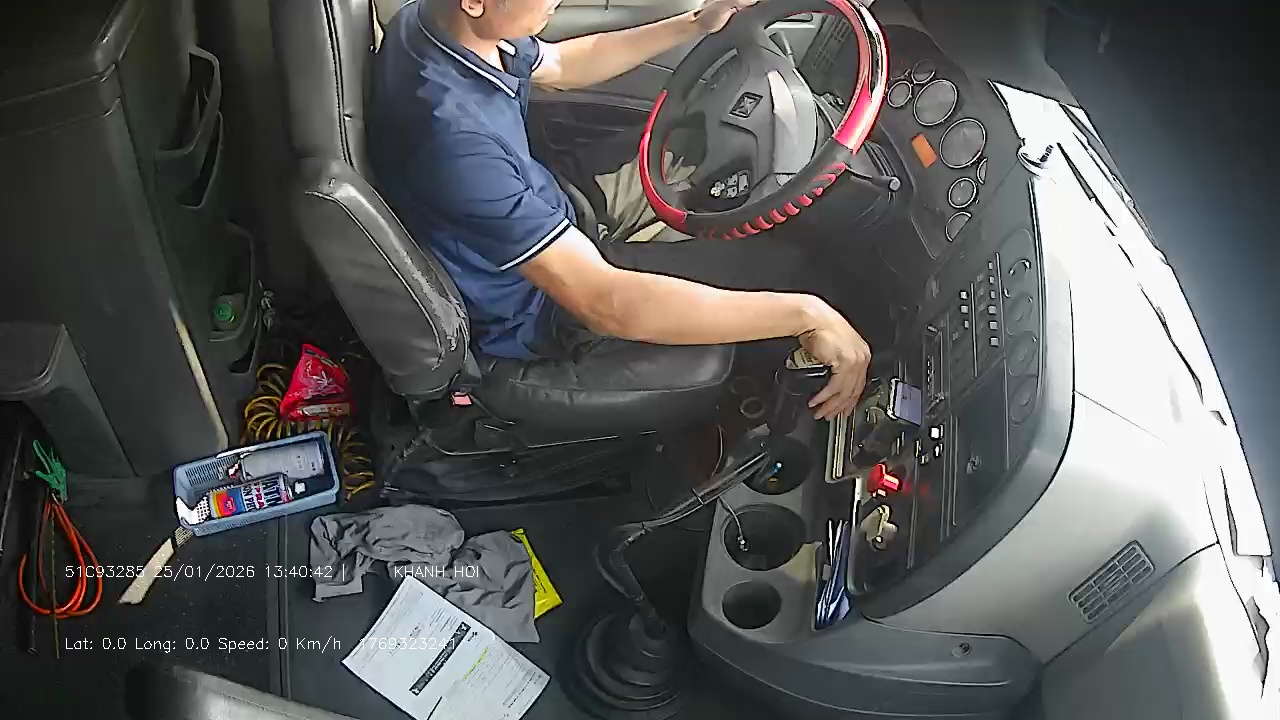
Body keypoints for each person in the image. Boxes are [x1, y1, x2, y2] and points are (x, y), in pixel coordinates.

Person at [368, 0, 872, 420]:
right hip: (539, 304)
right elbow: (602, 301)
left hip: (544, 209)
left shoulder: (436, 24)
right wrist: (806, 313)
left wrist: (694, 24)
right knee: (782, 266)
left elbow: (561, 65)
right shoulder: (458, 146)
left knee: (689, 158)